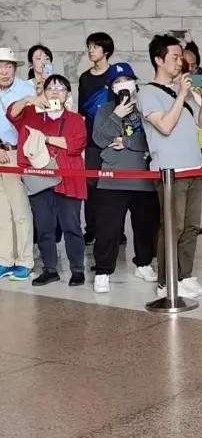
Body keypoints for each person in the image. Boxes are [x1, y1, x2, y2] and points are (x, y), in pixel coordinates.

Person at [136, 35, 202, 299]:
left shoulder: (182, 91)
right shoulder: (147, 93)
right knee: (173, 226)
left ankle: (185, 275)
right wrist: (181, 93)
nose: (181, 62)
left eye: (181, 57)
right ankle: (166, 281)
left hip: (194, 166)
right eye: (175, 57)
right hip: (171, 171)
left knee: (191, 226)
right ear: (159, 60)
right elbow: (165, 126)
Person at [8, 75, 87, 287]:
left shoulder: (75, 119)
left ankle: (77, 269)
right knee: (44, 227)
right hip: (39, 178)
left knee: (72, 226)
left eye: (61, 88)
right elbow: (11, 114)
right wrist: (28, 100)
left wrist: (46, 139)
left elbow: (76, 144)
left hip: (68, 178)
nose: (55, 91)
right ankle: (50, 269)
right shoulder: (31, 115)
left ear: (67, 95)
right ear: (43, 92)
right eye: (50, 87)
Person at [90, 63, 160, 294]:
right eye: (117, 82)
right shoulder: (105, 109)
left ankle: (144, 263)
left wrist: (127, 142)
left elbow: (153, 138)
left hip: (143, 176)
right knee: (107, 228)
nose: (123, 85)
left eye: (127, 80)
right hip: (112, 178)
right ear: (111, 87)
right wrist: (116, 116)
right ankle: (103, 271)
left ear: (134, 82)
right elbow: (100, 139)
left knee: (145, 225)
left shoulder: (145, 106)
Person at [0, 48, 34, 281]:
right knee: (2, 211)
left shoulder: (25, 90)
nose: (3, 71)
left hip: (16, 153)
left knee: (20, 210)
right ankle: (5, 260)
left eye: (8, 66)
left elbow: (33, 123)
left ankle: (24, 260)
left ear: (15, 68)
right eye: (0, 66)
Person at [79, 32, 114, 245]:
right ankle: (91, 229)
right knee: (90, 186)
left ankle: (116, 230)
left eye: (95, 47)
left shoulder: (116, 75)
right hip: (91, 140)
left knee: (112, 187)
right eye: (89, 46)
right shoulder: (85, 78)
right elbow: (82, 111)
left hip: (113, 140)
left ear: (106, 50)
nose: (91, 50)